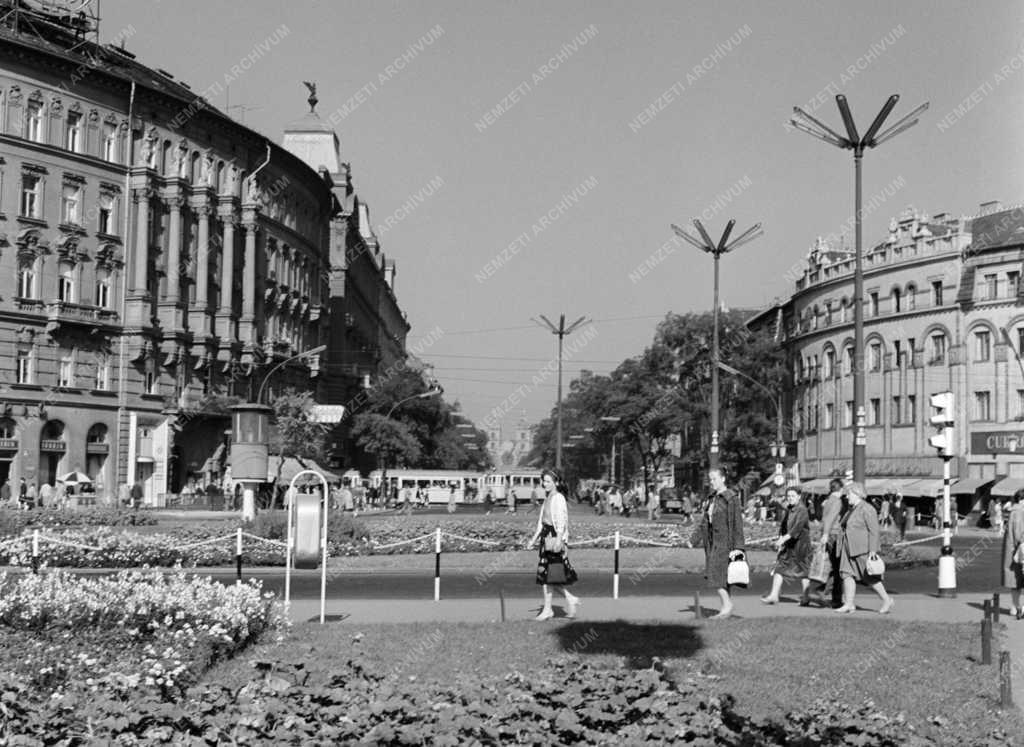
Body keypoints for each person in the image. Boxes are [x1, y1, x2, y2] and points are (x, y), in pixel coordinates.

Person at [687, 468, 745, 618]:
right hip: (713, 542)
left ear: (723, 479)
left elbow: (737, 524)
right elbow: (704, 523)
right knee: (723, 576)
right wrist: (693, 540)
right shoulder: (712, 498)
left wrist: (739, 547)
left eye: (714, 479)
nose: (711, 482)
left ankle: (727, 605)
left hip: (726, 542)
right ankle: (726, 607)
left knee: (714, 574)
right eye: (710, 479)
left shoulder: (731, 498)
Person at [526, 468, 580, 620]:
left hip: (554, 539)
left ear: (556, 482)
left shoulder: (558, 498)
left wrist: (559, 540)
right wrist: (533, 539)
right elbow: (541, 522)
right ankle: (569, 599)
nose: (545, 484)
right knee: (549, 576)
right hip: (546, 539)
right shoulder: (548, 497)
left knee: (549, 576)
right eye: (544, 481)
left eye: (548, 481)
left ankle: (549, 610)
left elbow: (562, 521)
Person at [836, 481, 893, 614]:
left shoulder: (867, 509)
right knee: (846, 575)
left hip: (861, 549)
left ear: (857, 494)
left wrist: (872, 551)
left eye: (849, 494)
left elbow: (874, 531)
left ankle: (886, 599)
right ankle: (849, 604)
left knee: (869, 577)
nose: (847, 496)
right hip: (847, 547)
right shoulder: (851, 509)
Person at [762, 487, 813, 606]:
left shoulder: (802, 510)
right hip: (789, 545)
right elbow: (784, 527)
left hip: (801, 546)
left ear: (799, 496)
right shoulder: (789, 509)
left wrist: (783, 539)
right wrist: (781, 539)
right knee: (780, 567)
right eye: (788, 496)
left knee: (804, 572)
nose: (790, 498)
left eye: (793, 496)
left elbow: (797, 528)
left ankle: (806, 597)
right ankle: (774, 595)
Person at [814, 478, 847, 608]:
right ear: (841, 488)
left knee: (832, 567)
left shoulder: (827, 501)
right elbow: (830, 519)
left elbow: (824, 519)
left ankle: (822, 591)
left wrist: (823, 534)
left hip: (828, 534)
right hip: (834, 534)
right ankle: (835, 598)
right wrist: (827, 534)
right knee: (838, 568)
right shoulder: (837, 502)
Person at [1002, 490, 1024, 619]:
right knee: (1019, 579)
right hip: (1020, 550)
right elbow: (1019, 533)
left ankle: (1014, 607)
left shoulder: (1014, 511)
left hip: (1012, 551)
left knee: (1015, 582)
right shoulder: (1020, 511)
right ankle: (1017, 608)